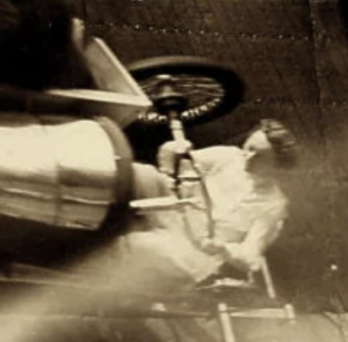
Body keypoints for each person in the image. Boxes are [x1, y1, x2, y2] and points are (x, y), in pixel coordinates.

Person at [126, 120, 299, 290]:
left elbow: (249, 257)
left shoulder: (274, 204)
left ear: (276, 166)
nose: (248, 157)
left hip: (194, 253)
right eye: (249, 148)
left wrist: (223, 248)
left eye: (259, 157)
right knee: (141, 173)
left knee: (137, 245)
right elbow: (171, 152)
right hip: (173, 214)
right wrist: (169, 173)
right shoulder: (228, 156)